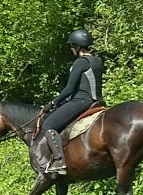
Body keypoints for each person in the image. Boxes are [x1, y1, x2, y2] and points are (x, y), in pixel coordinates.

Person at [33, 29, 105, 176]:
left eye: (72, 46)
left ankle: (59, 161)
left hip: (81, 101)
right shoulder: (96, 61)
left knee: (48, 125)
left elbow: (69, 88)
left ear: (77, 46)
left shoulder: (80, 62)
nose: (71, 49)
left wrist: (52, 104)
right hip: (97, 101)